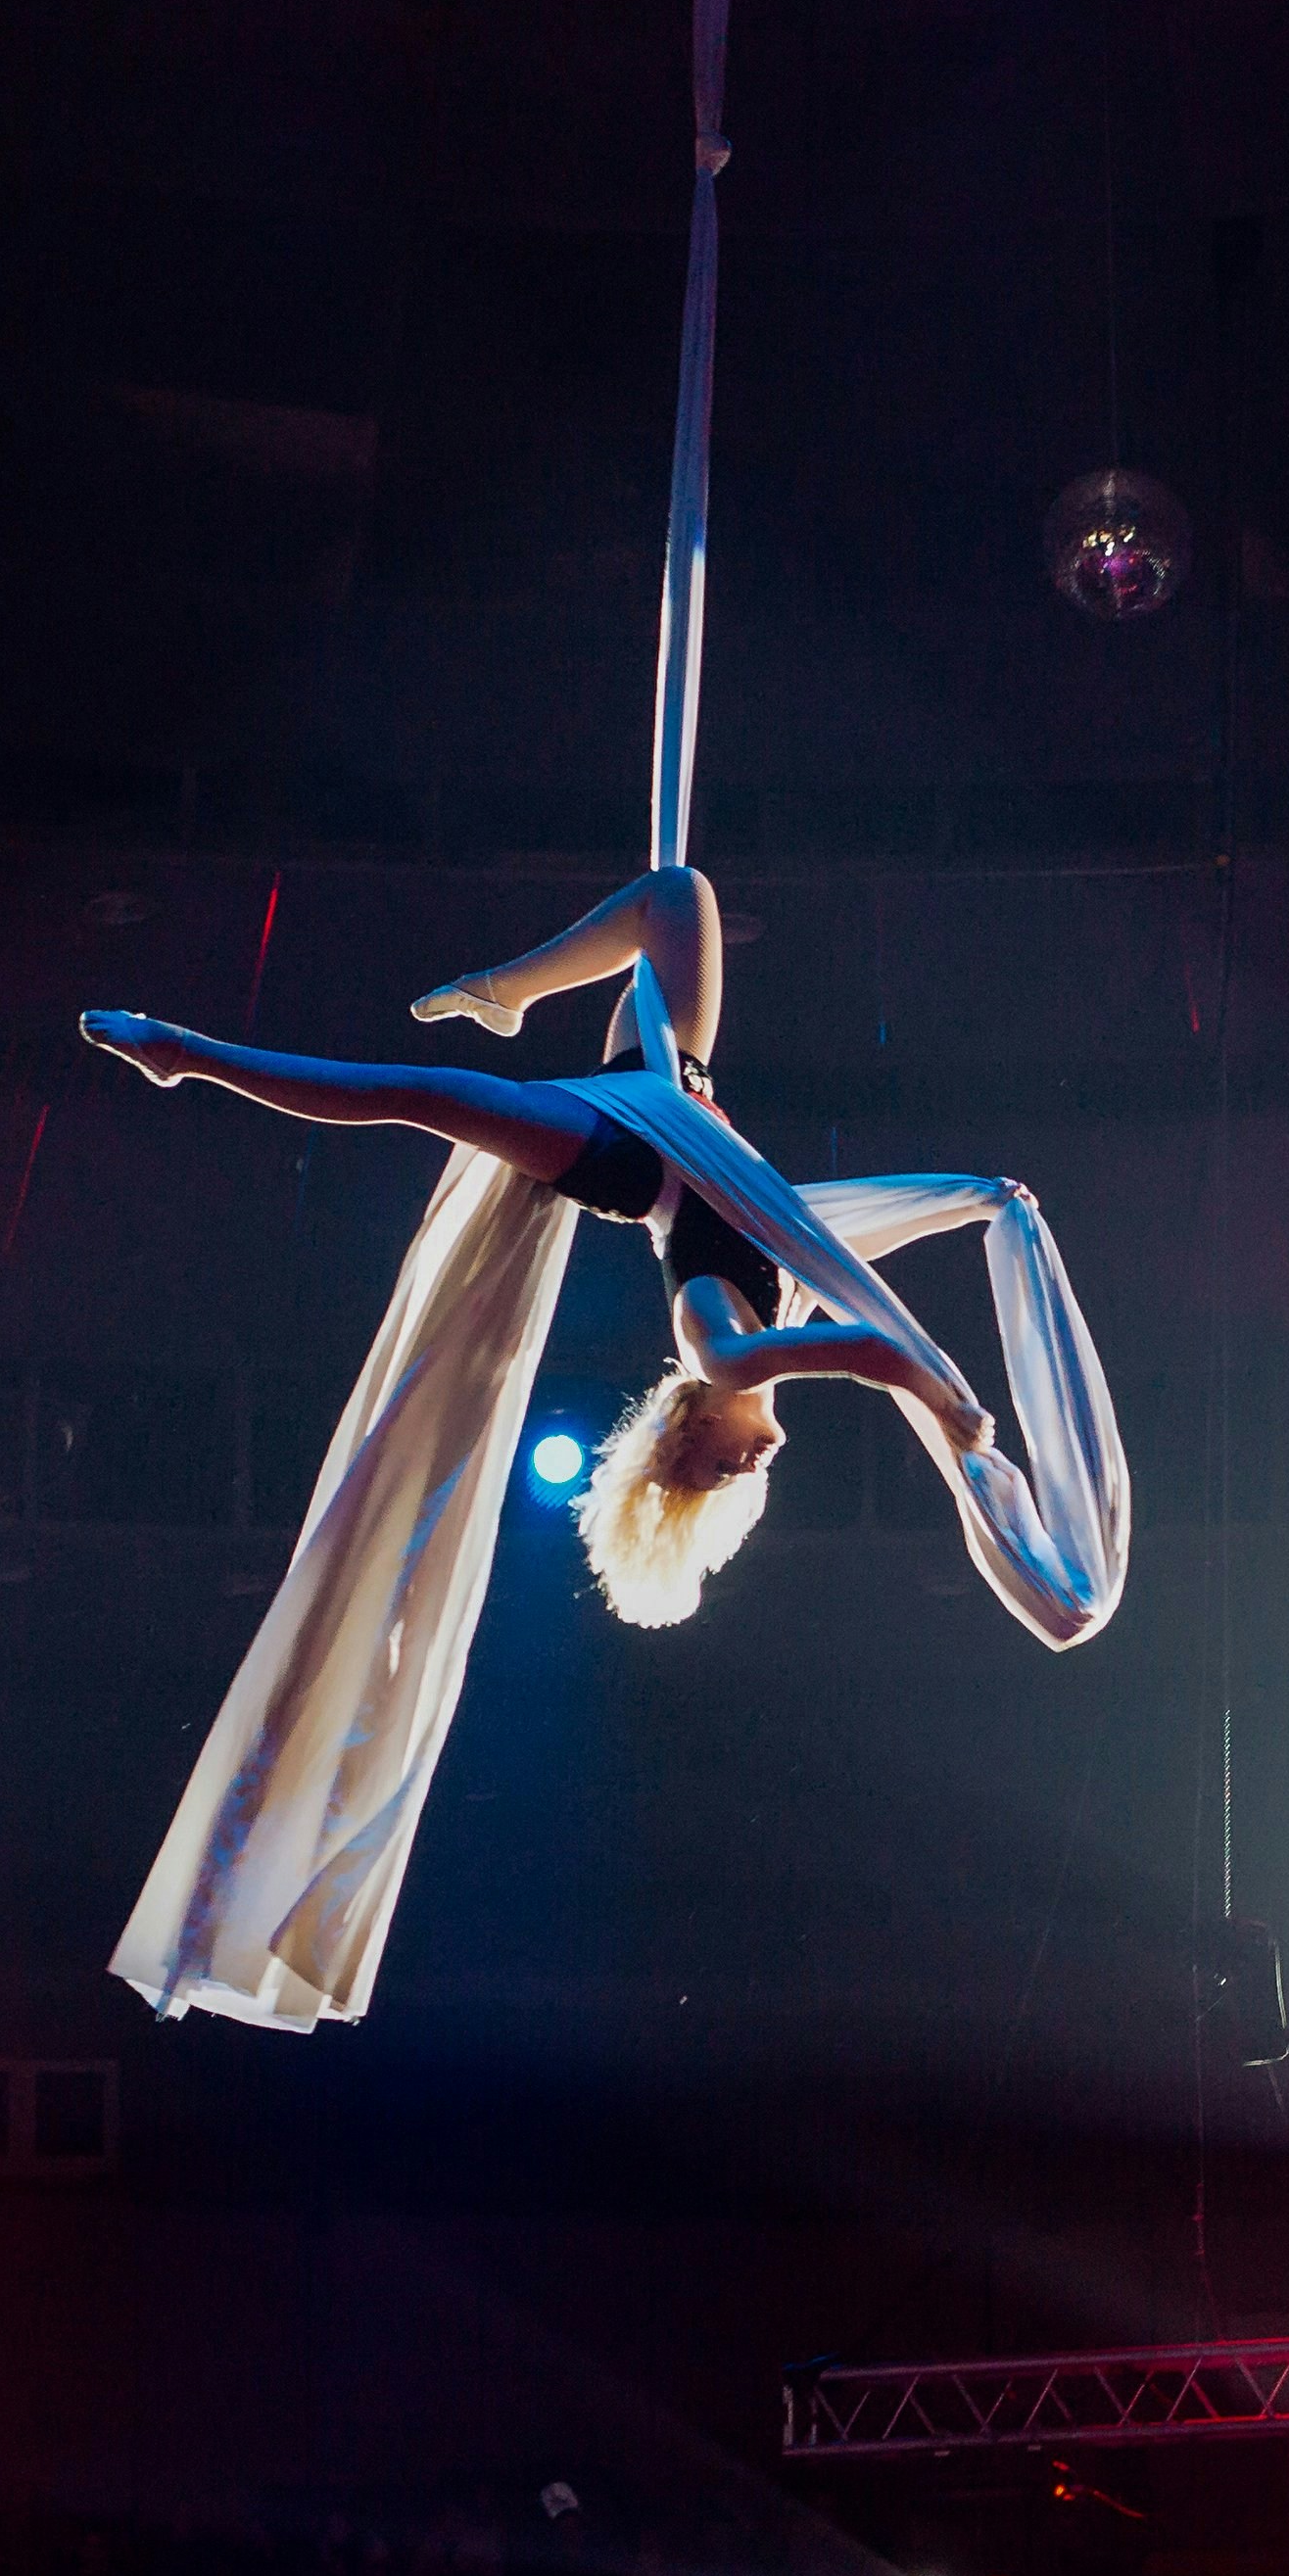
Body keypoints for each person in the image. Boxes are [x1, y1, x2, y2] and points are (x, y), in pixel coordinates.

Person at [81, 865, 1131, 2029]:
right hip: (676, 1096)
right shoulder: (772, 1304)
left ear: (689, 1436)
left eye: (718, 1471)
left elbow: (860, 1352)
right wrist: (962, 1292)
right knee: (676, 894)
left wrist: (942, 1398)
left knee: (419, 1095)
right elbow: (835, 1295)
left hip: (633, 1154)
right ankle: (507, 989)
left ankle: (189, 1053)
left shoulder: (716, 1347)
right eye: (744, 1481)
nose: (750, 1466)